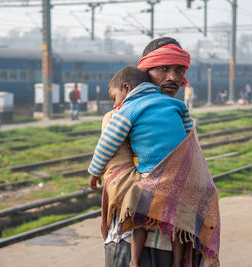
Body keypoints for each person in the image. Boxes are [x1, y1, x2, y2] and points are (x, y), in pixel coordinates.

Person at [91, 37, 220, 267]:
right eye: (163, 69)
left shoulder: (179, 115)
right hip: (132, 243)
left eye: (179, 70)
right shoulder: (117, 116)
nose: (172, 77)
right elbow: (120, 182)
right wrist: (172, 191)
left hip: (176, 241)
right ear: (144, 72)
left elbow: (195, 169)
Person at [88, 66, 192, 267]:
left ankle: (134, 261)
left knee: (139, 216)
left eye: (114, 97)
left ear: (126, 88)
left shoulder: (129, 109)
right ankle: (179, 262)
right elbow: (190, 136)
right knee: (178, 220)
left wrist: (95, 171)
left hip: (151, 173)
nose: (115, 104)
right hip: (181, 172)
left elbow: (108, 142)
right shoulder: (175, 104)